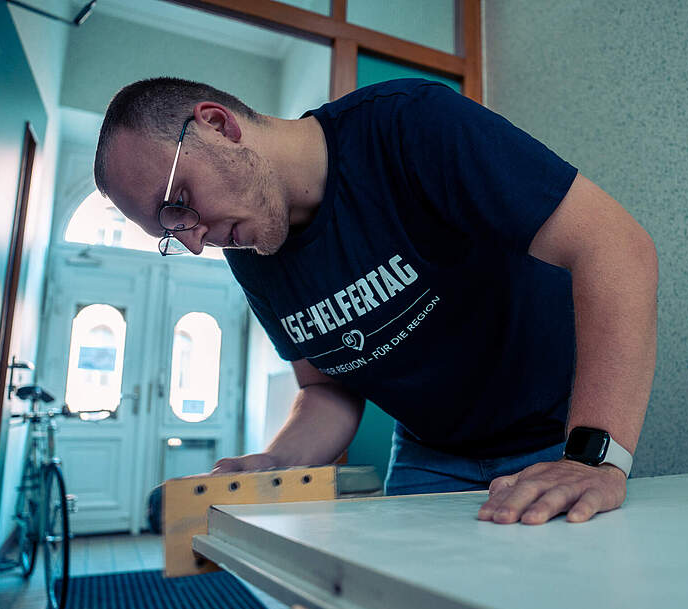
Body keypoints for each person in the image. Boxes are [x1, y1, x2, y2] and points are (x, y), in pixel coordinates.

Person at [94, 77, 658, 525]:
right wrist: (277, 462)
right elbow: (326, 389)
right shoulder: (249, 249)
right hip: (428, 456)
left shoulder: (412, 125)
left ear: (218, 125)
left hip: (556, 440)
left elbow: (614, 248)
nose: (193, 240)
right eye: (171, 233)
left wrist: (590, 457)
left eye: (179, 203)